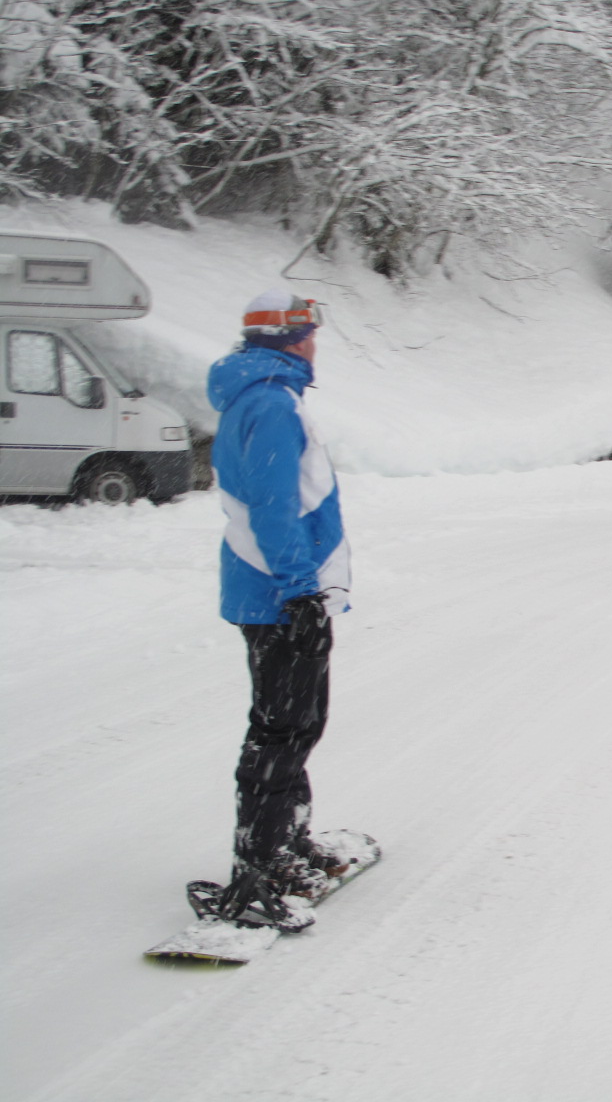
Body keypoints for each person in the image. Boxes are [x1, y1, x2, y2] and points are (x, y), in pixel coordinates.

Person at [203, 290, 354, 930]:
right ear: (289, 339)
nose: (316, 343)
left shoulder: (269, 395)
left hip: (279, 591)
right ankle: (261, 862)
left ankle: (287, 841)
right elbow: (273, 506)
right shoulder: (268, 403)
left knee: (298, 721)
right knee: (281, 727)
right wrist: (299, 591)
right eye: (310, 332)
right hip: (276, 594)